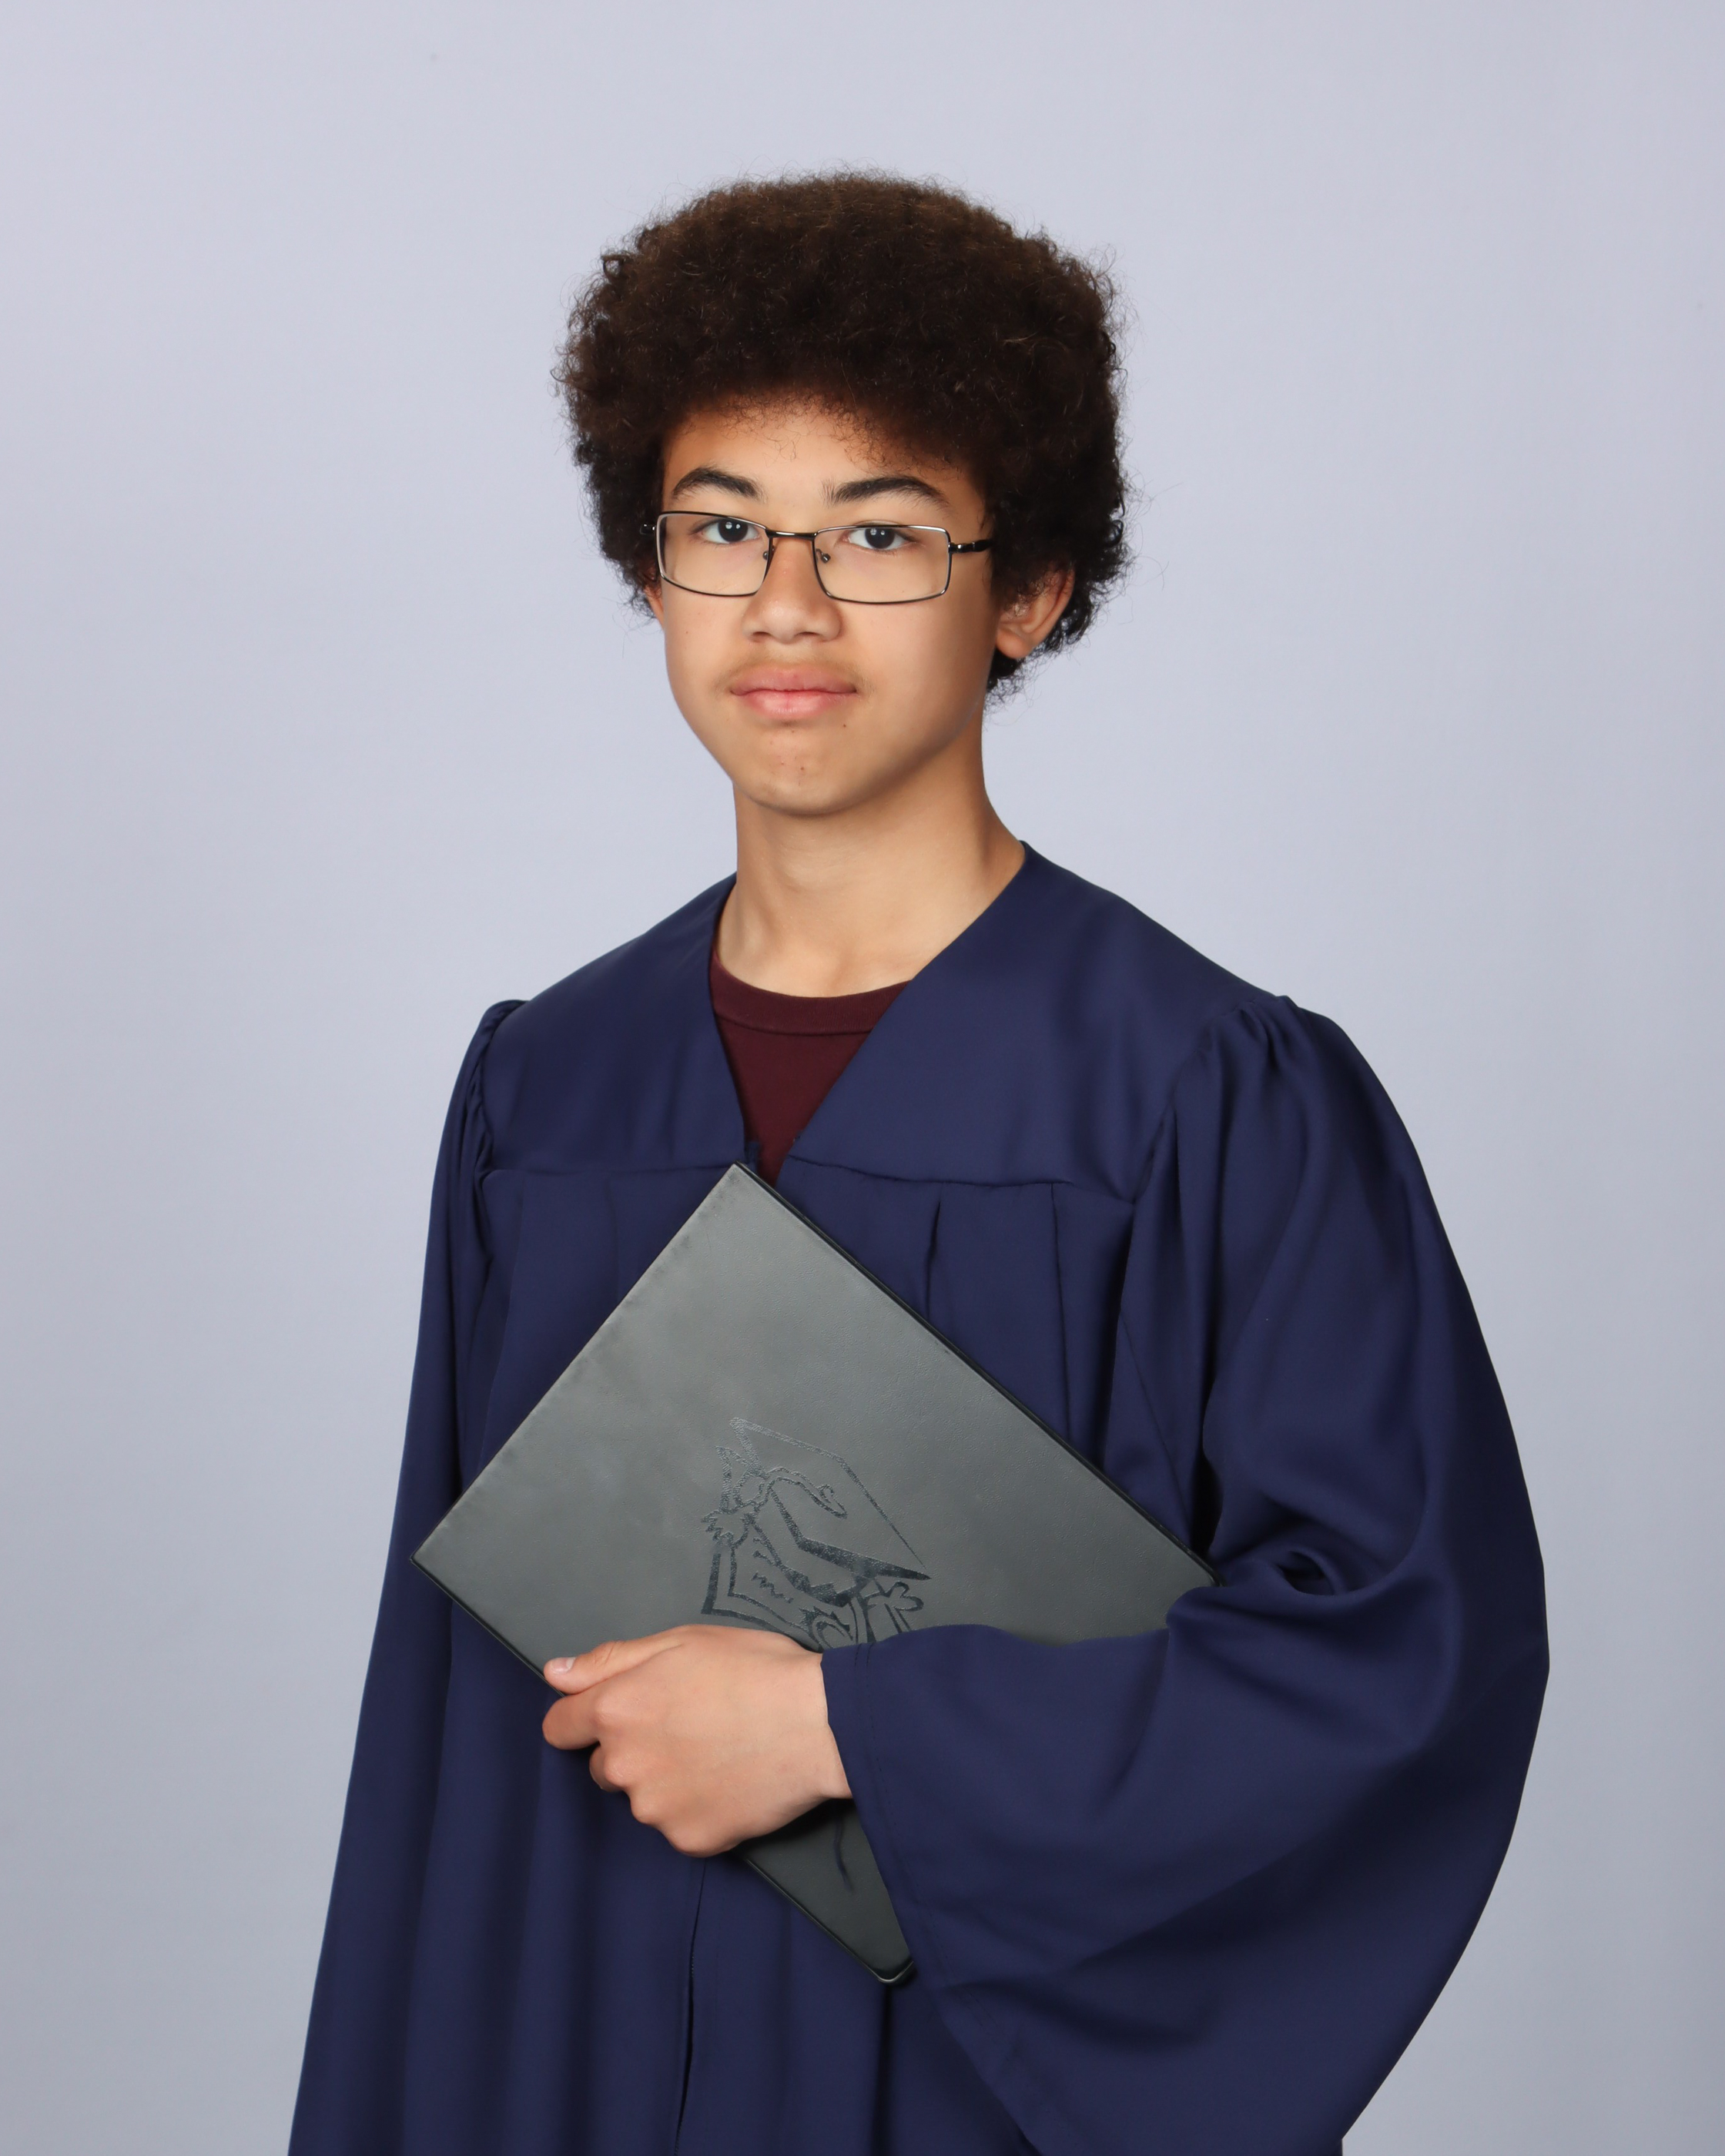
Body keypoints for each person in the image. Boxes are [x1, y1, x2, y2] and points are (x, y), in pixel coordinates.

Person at [289, 174, 1546, 2156]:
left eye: (877, 533)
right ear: (651, 574)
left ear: (1024, 589)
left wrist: (845, 1724)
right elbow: (446, 1738)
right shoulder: (546, 1094)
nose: (785, 606)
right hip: (577, 2064)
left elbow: (1392, 1660)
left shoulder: (1209, 1095)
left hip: (965, 2093)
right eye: (722, 528)